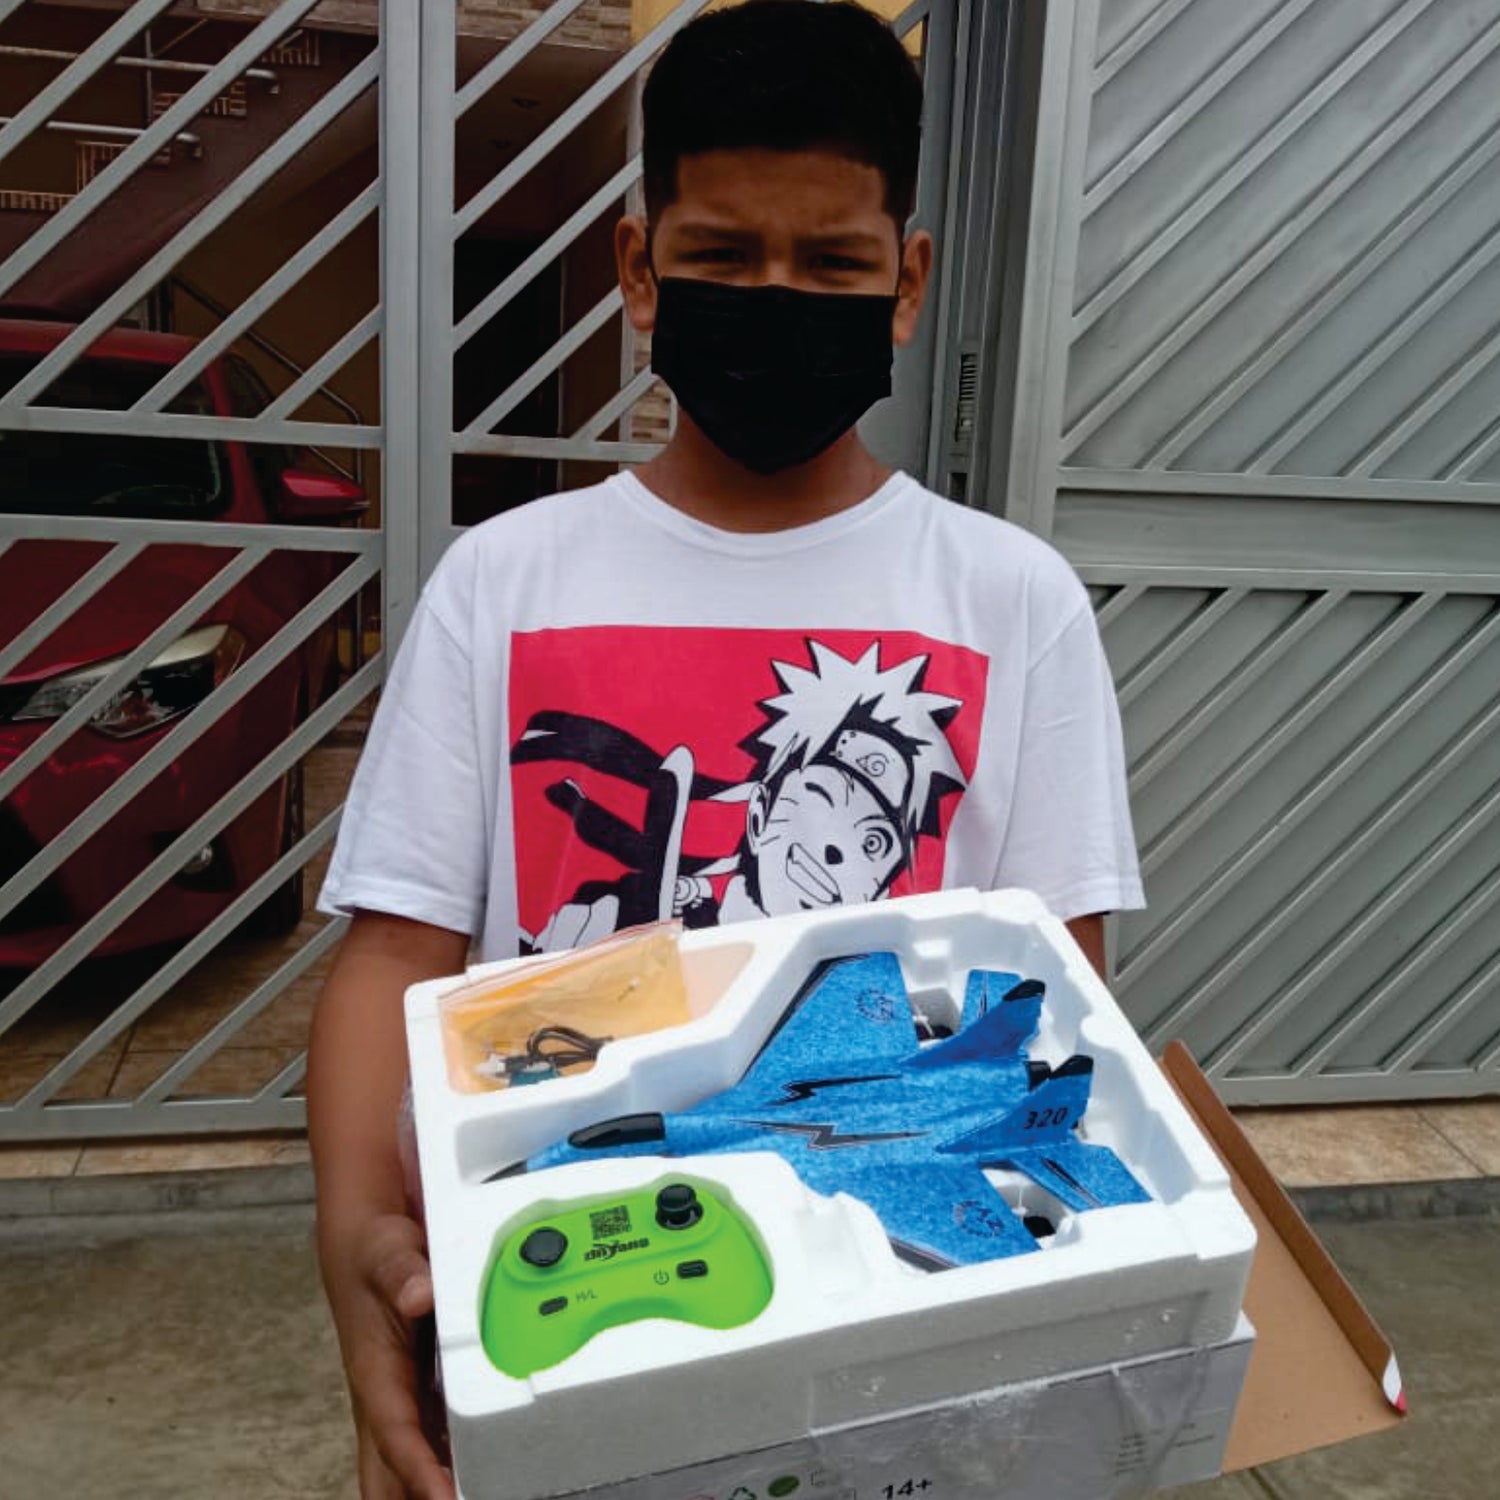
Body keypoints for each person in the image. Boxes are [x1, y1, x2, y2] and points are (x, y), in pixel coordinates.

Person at [307, 3, 1144, 1496]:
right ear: (640, 268)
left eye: (832, 263)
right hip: (561, 1305)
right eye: (722, 256)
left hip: (885, 1341)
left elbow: (1051, 995)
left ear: (908, 281)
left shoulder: (1013, 601)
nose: (776, 299)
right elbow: (394, 954)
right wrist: (358, 1237)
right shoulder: (505, 581)